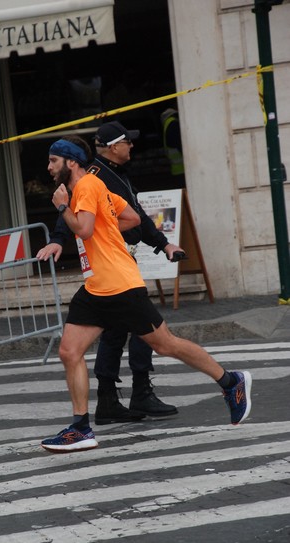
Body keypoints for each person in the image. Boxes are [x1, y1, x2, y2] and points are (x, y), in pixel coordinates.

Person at [38, 136, 252, 452]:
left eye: (53, 161)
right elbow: (132, 218)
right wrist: (105, 228)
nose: (48, 167)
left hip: (121, 287)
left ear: (70, 162)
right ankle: (81, 428)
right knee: (70, 352)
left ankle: (231, 382)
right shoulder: (96, 187)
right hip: (98, 287)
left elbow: (82, 229)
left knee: (166, 345)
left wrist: (61, 206)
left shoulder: (83, 188)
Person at [38, 121, 184, 426]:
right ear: (112, 147)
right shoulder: (95, 177)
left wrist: (162, 244)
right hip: (112, 264)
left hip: (117, 258)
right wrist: (57, 239)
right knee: (140, 328)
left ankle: (109, 399)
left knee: (117, 329)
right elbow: (74, 212)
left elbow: (135, 215)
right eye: (126, 142)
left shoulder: (115, 176)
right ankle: (133, 392)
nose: (131, 146)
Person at [160, 107, 185, 189]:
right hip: (183, 167)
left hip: (176, 168)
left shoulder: (167, 125)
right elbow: (178, 143)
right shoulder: (173, 124)